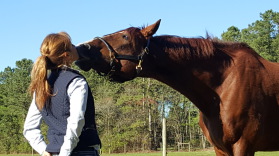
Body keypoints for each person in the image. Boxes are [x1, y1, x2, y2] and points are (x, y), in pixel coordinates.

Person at [23, 32, 101, 156]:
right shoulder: (76, 82)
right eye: (72, 45)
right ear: (67, 55)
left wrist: (43, 151)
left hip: (54, 152)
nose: (76, 47)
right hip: (81, 151)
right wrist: (65, 152)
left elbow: (29, 129)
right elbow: (76, 121)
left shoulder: (41, 85)